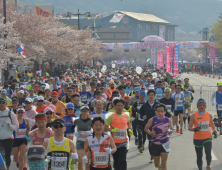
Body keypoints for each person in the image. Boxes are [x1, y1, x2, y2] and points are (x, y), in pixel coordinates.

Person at [188, 99, 217, 170]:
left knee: (208, 153)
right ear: (197, 106)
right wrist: (194, 129)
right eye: (200, 105)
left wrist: (215, 131)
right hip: (198, 138)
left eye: (203, 105)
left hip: (208, 137)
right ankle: (200, 168)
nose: (202, 107)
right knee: (199, 156)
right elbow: (189, 127)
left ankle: (208, 165)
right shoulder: (193, 115)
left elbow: (212, 124)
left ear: (205, 106)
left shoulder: (209, 115)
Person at [144, 103, 173, 170]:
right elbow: (146, 128)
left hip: (165, 143)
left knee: (164, 162)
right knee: (156, 165)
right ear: (155, 112)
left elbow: (171, 128)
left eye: (162, 111)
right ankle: (159, 167)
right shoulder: (152, 120)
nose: (160, 113)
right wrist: (150, 133)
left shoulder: (168, 120)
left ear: (165, 112)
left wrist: (171, 131)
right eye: (158, 111)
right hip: (155, 144)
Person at [104, 99, 131, 170]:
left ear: (123, 107)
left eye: (121, 106)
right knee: (116, 161)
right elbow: (105, 127)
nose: (120, 107)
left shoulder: (126, 115)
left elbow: (128, 122)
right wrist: (112, 130)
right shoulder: (111, 116)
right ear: (114, 106)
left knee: (122, 160)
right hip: (114, 143)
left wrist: (130, 129)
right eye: (118, 106)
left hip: (123, 142)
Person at [140, 89, 159, 163]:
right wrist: (142, 116)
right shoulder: (144, 105)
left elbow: (163, 112)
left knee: (157, 141)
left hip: (157, 126)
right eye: (149, 95)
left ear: (154, 96)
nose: (151, 96)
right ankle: (152, 155)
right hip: (148, 126)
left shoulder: (157, 104)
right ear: (147, 96)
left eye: (152, 95)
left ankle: (157, 155)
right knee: (151, 141)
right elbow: (141, 113)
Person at [0, 98, 19, 170]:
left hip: (8, 138)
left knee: (8, 155)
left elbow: (17, 126)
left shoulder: (10, 113)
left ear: (6, 104)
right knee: (0, 155)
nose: (1, 104)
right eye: (0, 103)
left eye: (3, 102)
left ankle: (7, 168)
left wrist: (11, 126)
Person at [72, 105, 92, 170]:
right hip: (79, 142)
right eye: (83, 110)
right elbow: (72, 128)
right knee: (80, 161)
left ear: (88, 112)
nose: (84, 112)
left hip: (88, 143)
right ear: (80, 112)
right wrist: (75, 133)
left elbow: (95, 130)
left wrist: (90, 132)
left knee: (87, 161)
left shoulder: (91, 121)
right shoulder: (77, 120)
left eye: (86, 111)